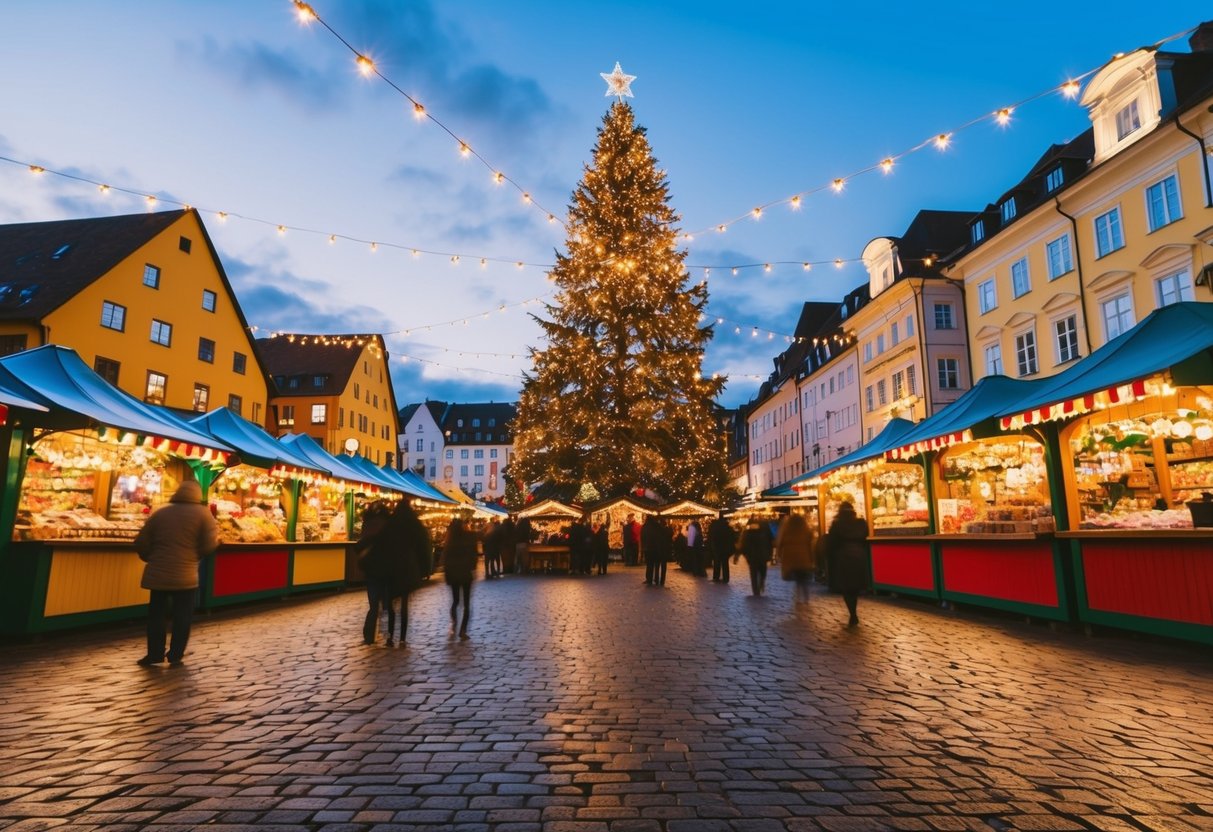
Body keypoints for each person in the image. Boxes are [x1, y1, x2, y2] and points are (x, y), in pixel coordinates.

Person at [133, 479, 220, 667]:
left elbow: (141, 542)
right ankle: (175, 653)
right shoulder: (203, 514)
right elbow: (209, 544)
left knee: (157, 615)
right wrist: (194, 557)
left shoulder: (160, 513)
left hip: (158, 573)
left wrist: (152, 558)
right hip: (185, 575)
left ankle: (154, 653)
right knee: (183, 616)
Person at [365, 499, 431, 646]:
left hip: (391, 569)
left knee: (391, 605)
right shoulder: (414, 524)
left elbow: (380, 545)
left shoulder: (391, 524)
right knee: (404, 606)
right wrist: (425, 569)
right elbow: (424, 546)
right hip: (408, 569)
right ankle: (402, 638)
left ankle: (390, 638)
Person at [827, 501, 870, 627]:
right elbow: (865, 537)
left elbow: (832, 542)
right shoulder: (861, 523)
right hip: (859, 556)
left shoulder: (837, 524)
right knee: (855, 585)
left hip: (844, 557)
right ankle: (853, 610)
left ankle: (852, 613)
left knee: (846, 587)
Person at [443, 517, 477, 639]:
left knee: (456, 601)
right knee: (467, 603)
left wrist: (448, 575)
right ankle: (463, 630)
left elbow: (445, 560)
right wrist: (472, 567)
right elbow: (474, 556)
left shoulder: (449, 541)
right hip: (465, 574)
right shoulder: (469, 538)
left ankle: (454, 623)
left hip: (453, 574)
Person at [775, 513, 817, 605]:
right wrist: (812, 558)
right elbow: (811, 543)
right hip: (804, 558)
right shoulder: (805, 530)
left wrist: (779, 555)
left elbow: (780, 542)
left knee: (798, 579)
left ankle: (798, 598)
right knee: (803, 579)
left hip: (791, 559)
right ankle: (806, 598)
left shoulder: (787, 529)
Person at [736, 517, 773, 596]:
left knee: (753, 573)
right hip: (762, 555)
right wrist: (770, 554)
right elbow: (771, 542)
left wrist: (738, 555)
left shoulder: (747, 531)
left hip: (752, 556)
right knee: (762, 571)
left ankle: (755, 590)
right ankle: (760, 584)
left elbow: (743, 542)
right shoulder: (765, 529)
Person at [640, 514, 669, 586]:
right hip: (656, 548)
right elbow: (661, 536)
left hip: (647, 548)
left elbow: (642, 537)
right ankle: (657, 579)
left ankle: (649, 579)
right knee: (656, 564)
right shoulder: (657, 526)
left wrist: (643, 547)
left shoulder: (644, 526)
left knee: (649, 564)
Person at [707, 512, 736, 583]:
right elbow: (733, 537)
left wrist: (711, 546)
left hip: (717, 547)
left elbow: (711, 537)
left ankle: (716, 577)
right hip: (725, 548)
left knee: (717, 562)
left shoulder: (714, 526)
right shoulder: (728, 527)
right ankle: (726, 578)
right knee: (725, 563)